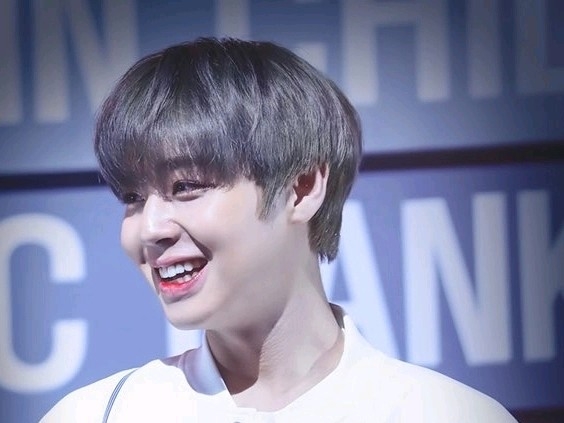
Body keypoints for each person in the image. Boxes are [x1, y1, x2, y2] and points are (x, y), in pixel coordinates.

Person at [41, 37, 516, 422]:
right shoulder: (96, 415)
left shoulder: (446, 413)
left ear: (302, 187)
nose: (149, 228)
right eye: (132, 197)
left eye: (185, 187)